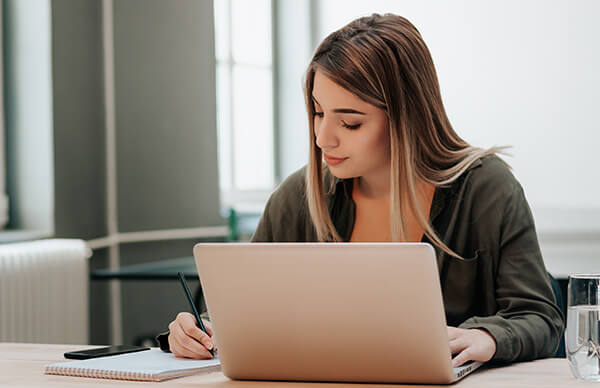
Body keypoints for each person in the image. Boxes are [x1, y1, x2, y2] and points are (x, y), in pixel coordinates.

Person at [159, 13, 564, 367]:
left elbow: (541, 319)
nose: (323, 138)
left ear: (409, 118)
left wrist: (487, 337)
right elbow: (237, 317)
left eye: (350, 123)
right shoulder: (299, 196)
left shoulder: (486, 189)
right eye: (318, 113)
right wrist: (201, 330)